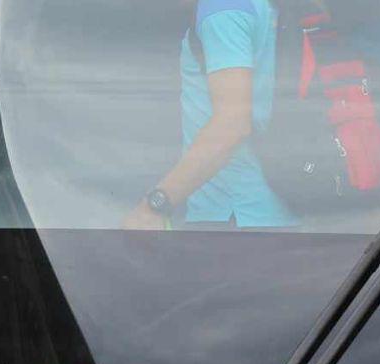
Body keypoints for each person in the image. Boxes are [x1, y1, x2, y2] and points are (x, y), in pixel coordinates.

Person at [124, 0, 298, 229]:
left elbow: (232, 125)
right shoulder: (261, 6)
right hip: (269, 213)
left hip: (233, 216)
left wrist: (156, 205)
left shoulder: (222, 8)